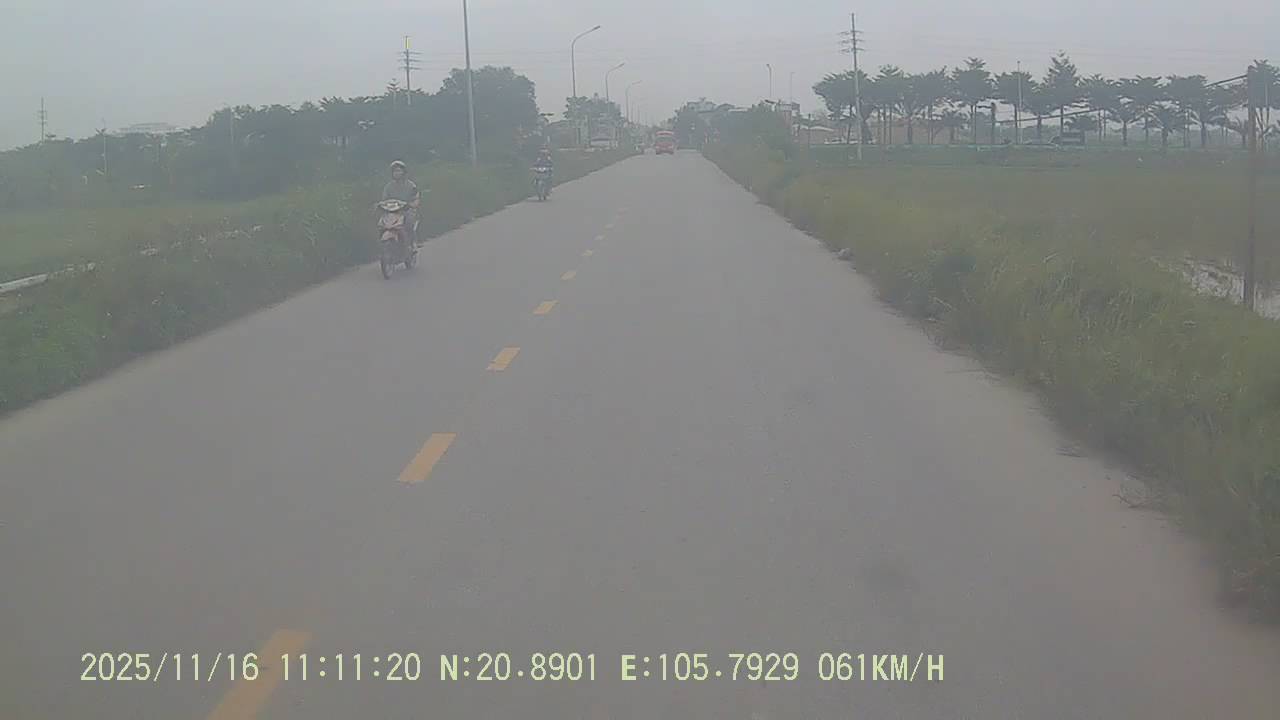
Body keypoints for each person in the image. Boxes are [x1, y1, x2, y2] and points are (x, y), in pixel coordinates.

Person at [382, 160, 421, 245]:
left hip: (407, 211)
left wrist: (411, 204)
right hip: (393, 212)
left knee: (409, 223)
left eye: (398, 171)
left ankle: (412, 243)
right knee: (382, 224)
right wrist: (379, 205)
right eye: (394, 171)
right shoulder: (388, 187)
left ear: (404, 172)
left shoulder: (411, 186)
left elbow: (416, 199)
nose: (396, 173)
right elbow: (384, 200)